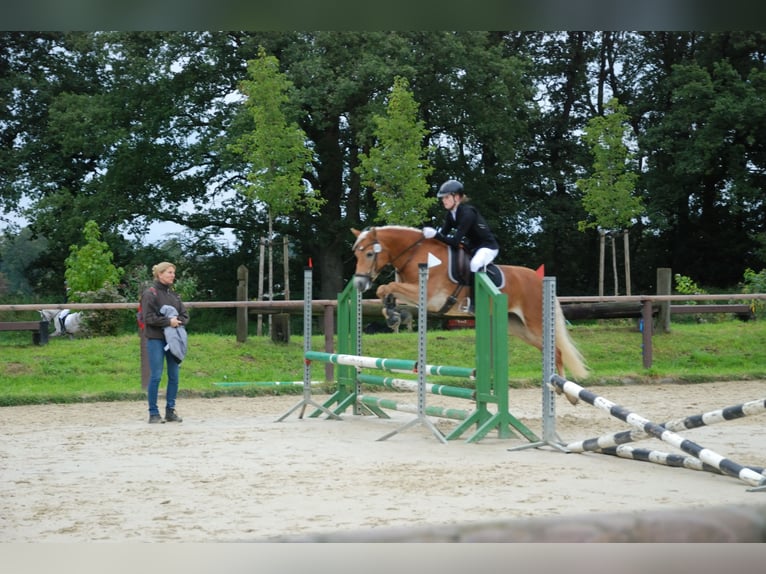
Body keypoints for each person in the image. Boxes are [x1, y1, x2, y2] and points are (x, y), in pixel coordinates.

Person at [422, 179, 500, 313]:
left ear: (457, 197)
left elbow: (454, 241)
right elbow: (443, 236)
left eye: (446, 197)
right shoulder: (451, 215)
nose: (443, 201)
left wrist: (435, 235)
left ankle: (475, 304)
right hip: (473, 247)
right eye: (443, 198)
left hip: (488, 247)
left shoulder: (468, 213)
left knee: (475, 265)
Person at [140, 262, 189, 424]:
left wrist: (177, 321)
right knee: (156, 376)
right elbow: (148, 318)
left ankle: (170, 410)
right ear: (160, 274)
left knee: (174, 376)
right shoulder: (150, 294)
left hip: (173, 340)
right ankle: (153, 413)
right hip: (156, 339)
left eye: (173, 272)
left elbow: (184, 315)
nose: (172, 275)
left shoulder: (174, 295)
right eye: (169, 272)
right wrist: (169, 322)